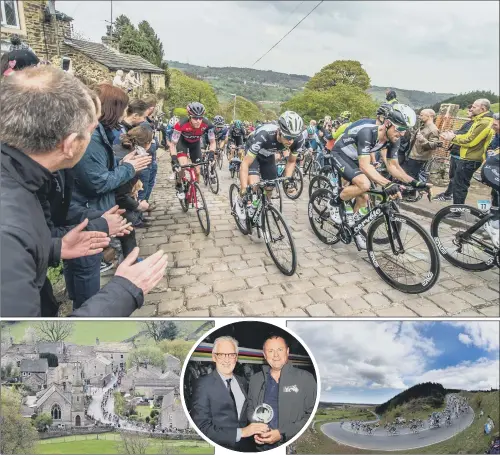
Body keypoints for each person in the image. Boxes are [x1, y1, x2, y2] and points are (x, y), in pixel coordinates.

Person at [0, 66, 168, 317]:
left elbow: (34, 238)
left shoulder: (24, 180)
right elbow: (27, 346)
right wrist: (126, 290)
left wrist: (55, 247)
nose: (95, 139)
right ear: (69, 144)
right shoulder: (10, 231)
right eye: (90, 132)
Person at [66, 83, 151, 309]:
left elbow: (101, 172)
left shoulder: (101, 134)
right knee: (86, 270)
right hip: (87, 212)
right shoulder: (93, 139)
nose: (125, 114)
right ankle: (84, 312)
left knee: (81, 268)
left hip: (91, 210)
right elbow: (97, 182)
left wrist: (122, 165)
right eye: (123, 109)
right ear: (112, 108)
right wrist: (129, 168)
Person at [329, 104, 429, 249]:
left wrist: (416, 183)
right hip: (341, 154)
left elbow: (393, 166)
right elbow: (364, 166)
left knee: (364, 198)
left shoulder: (394, 139)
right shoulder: (367, 132)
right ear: (388, 124)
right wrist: (387, 184)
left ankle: (354, 229)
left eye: (405, 130)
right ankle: (333, 202)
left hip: (355, 158)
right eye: (400, 129)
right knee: (364, 184)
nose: (402, 133)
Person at [190, 336, 269, 451]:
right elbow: (202, 427)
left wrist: (256, 432)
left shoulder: (243, 382)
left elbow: (244, 416)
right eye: (221, 354)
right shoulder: (202, 385)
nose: (227, 360)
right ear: (214, 357)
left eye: (231, 355)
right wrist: (242, 432)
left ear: (236, 358)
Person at [247, 335, 317, 451]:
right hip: (262, 448)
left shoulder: (305, 378)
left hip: (291, 448)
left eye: (280, 349)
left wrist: (282, 433)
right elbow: (251, 408)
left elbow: (311, 415)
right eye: (270, 351)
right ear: (264, 355)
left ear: (287, 351)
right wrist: (257, 429)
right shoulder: (255, 380)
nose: (276, 355)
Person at [235, 112, 305, 222]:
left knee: (270, 186)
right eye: (287, 137)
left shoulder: (298, 139)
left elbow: (291, 162)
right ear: (279, 131)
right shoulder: (265, 135)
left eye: (293, 137)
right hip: (254, 154)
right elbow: (245, 164)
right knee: (254, 185)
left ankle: (262, 207)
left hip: (268, 155)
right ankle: (240, 200)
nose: (290, 141)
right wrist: (244, 189)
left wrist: (287, 181)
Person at [440, 98, 494, 205]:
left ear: (482, 108)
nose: (471, 109)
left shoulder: (484, 122)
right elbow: (468, 136)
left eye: (474, 107)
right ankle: (457, 208)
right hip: (469, 156)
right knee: (458, 183)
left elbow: (470, 140)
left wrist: (453, 137)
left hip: (471, 158)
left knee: (460, 185)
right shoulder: (479, 120)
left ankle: (457, 210)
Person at [170, 102, 215, 195]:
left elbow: (212, 142)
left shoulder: (208, 125)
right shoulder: (180, 124)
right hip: (182, 143)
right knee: (183, 166)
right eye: (195, 118)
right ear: (189, 116)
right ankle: (178, 183)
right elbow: (173, 144)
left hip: (195, 145)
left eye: (200, 118)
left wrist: (211, 154)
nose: (198, 121)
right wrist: (174, 159)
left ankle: (194, 193)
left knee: (197, 171)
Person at [434, 108, 474, 201]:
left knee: (457, 179)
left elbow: (464, 135)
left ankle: (450, 196)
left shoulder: (473, 124)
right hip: (456, 152)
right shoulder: (469, 122)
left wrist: (453, 133)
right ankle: (449, 194)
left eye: (471, 110)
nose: (468, 111)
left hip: (461, 154)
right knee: (453, 177)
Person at [403, 109, 441, 180]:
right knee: (410, 176)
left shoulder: (433, 129)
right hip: (413, 155)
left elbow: (433, 145)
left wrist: (422, 139)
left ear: (429, 116)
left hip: (418, 158)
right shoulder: (423, 126)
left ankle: (412, 190)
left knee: (411, 178)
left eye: (421, 115)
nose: (420, 117)